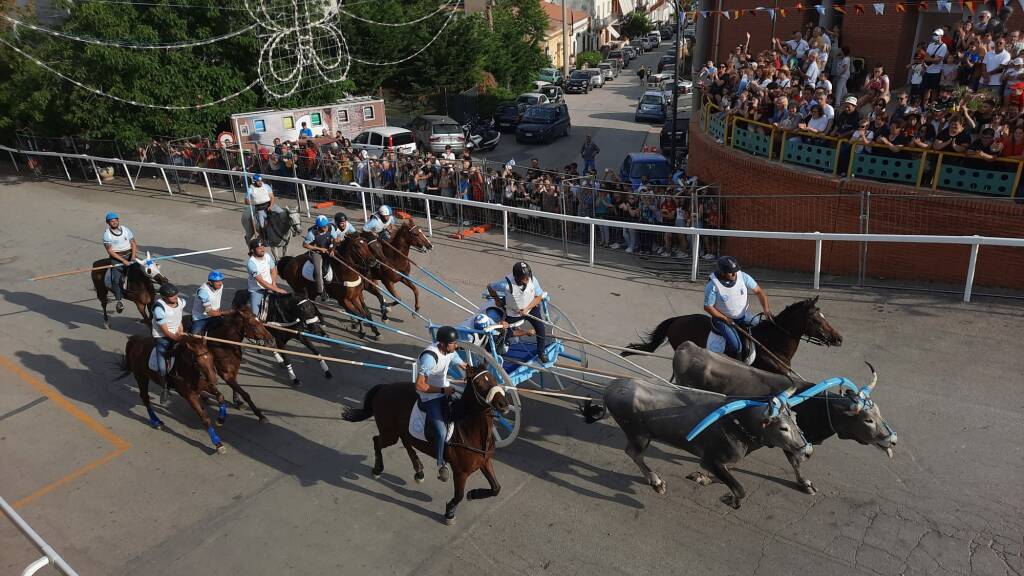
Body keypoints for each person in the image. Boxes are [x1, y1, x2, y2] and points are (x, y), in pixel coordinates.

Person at [415, 325, 467, 482]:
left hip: (443, 390)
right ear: (443, 344)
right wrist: (443, 391)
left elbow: (464, 365)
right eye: (453, 343)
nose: (456, 345)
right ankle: (441, 464)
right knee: (442, 432)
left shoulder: (450, 351)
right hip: (429, 398)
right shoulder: (430, 358)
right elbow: (420, 385)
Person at [702, 256, 771, 362]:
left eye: (735, 271)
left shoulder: (743, 276)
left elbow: (759, 291)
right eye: (731, 272)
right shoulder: (712, 286)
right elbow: (708, 307)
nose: (735, 274)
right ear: (722, 272)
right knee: (737, 347)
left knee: (764, 326)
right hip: (722, 320)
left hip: (742, 315)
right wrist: (725, 318)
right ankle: (737, 366)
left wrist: (766, 308)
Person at [486, 261, 549, 363]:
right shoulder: (505, 284)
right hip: (513, 311)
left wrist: (527, 308)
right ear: (517, 277)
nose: (527, 279)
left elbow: (538, 297)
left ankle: (541, 352)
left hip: (531, 308)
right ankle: (489, 351)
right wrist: (496, 299)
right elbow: (490, 287)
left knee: (540, 328)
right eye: (525, 277)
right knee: (505, 331)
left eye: (528, 276)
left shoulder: (533, 280)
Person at [102, 212, 137, 313]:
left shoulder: (126, 230)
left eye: (115, 220)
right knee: (116, 279)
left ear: (118, 220)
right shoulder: (107, 235)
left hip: (130, 254)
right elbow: (110, 251)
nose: (114, 222)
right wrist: (123, 261)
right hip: (117, 257)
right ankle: (119, 300)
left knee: (144, 269)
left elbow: (133, 243)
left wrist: (133, 257)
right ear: (108, 223)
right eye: (111, 221)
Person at [152, 283, 186, 381]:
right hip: (162, 337)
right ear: (164, 297)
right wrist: (179, 339)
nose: (175, 297)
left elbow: (178, 319)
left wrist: (181, 332)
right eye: (172, 296)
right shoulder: (159, 309)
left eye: (176, 294)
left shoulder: (180, 302)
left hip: (176, 333)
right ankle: (164, 384)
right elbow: (165, 331)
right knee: (162, 369)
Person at [246, 238, 287, 317]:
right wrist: (277, 289)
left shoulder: (267, 256)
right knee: (255, 315)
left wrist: (274, 283)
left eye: (263, 247)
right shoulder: (251, 263)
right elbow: (261, 282)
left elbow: (273, 270)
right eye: (259, 248)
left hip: (270, 286)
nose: (262, 250)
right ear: (253, 250)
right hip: (257, 290)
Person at [303, 215, 336, 300]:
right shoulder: (312, 233)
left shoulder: (331, 228)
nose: (325, 228)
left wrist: (332, 249)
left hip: (328, 250)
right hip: (317, 253)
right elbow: (305, 245)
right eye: (322, 227)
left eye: (326, 226)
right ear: (318, 226)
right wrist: (319, 249)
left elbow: (334, 239)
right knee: (318, 272)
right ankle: (321, 292)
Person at [245, 174, 284, 238]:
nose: (260, 182)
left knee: (283, 213)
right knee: (262, 224)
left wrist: (271, 206)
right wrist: (252, 202)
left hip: (270, 205)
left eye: (261, 180)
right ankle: (264, 237)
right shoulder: (250, 189)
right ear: (254, 182)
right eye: (258, 181)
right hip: (260, 209)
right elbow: (246, 201)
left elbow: (272, 197)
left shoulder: (266, 186)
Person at [190, 270, 225, 335]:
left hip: (216, 314)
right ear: (210, 282)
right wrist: (226, 313)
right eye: (217, 281)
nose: (220, 283)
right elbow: (209, 313)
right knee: (195, 337)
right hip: (201, 318)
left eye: (221, 281)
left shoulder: (220, 286)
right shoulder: (203, 292)